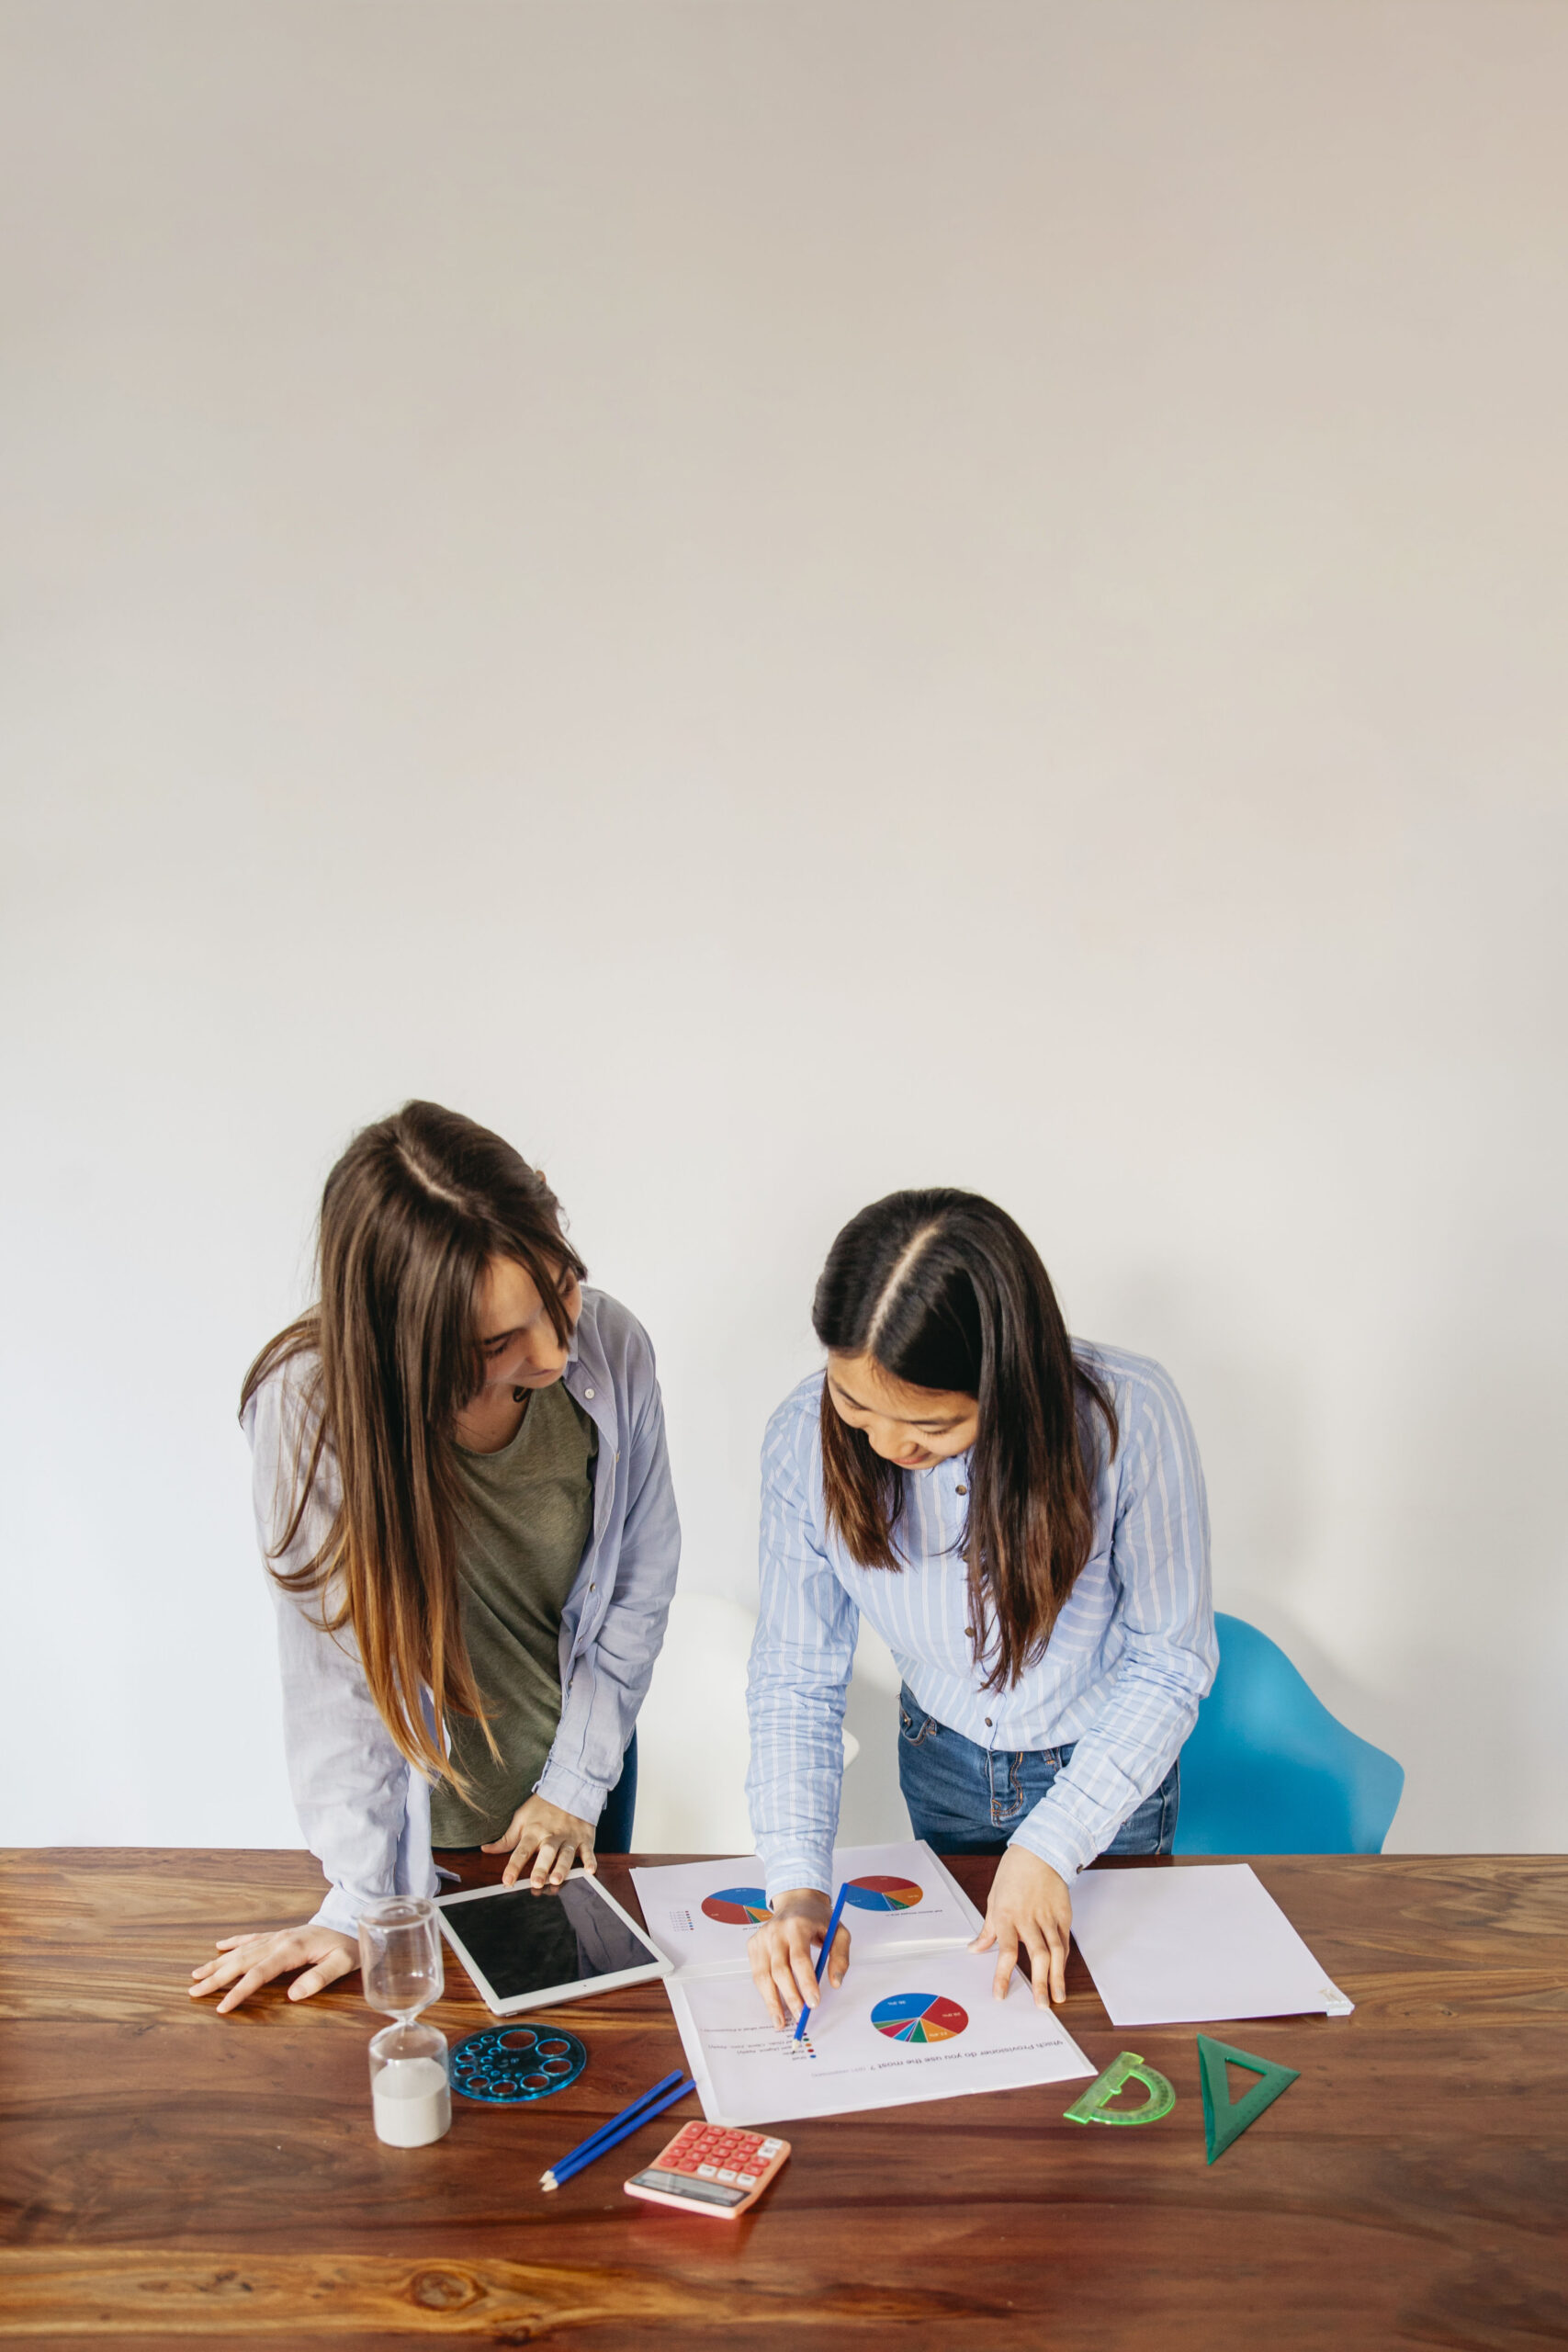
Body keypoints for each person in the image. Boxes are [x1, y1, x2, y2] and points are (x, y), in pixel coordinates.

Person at [190, 1101, 680, 2013]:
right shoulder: (308, 1408)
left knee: (586, 2059)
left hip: (575, 1791)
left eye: (559, 1288)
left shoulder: (613, 1349)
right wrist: (366, 1903)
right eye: (499, 1341)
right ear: (407, 1342)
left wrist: (574, 1787)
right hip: (415, 1820)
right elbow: (334, 1674)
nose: (556, 1347)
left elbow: (637, 1588)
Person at [744, 1188, 1214, 2030]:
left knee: (1095, 2024)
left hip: (1103, 1773)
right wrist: (796, 1889)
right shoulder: (795, 1440)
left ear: (1008, 1382)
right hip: (941, 1763)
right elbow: (794, 1678)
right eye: (855, 1406)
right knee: (978, 2023)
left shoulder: (1129, 1414)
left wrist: (1052, 1844)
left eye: (929, 1425)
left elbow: (1169, 1659)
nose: (887, 1446)